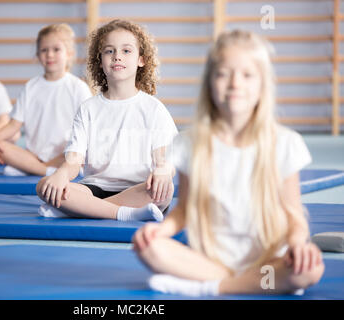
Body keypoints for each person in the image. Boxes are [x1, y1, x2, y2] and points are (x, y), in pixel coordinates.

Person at [132, 30, 324, 297]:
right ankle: (244, 283)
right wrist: (160, 231)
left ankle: (211, 288)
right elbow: (184, 210)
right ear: (209, 83)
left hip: (268, 262)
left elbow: (294, 216)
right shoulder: (191, 144)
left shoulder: (285, 143)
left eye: (247, 75)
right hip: (209, 261)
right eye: (223, 74)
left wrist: (298, 245)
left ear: (262, 85)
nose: (235, 84)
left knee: (310, 269)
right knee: (149, 247)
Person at [36, 19, 178, 221]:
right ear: (100, 60)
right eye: (109, 51)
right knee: (44, 186)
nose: (117, 56)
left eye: (126, 51)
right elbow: (74, 161)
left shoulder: (154, 109)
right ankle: (123, 213)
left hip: (138, 189)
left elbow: (165, 158)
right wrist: (60, 175)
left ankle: (81, 209)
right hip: (94, 188)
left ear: (141, 60)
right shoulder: (88, 109)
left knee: (164, 189)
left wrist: (163, 172)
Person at [0, 24, 92, 176]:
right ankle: (46, 170)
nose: (49, 54)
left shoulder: (78, 87)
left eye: (56, 49)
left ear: (69, 53)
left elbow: (87, 129)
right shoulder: (31, 87)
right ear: (37, 54)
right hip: (33, 155)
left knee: (79, 150)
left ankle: (32, 168)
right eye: (44, 50)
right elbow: (14, 125)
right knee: (1, 146)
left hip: (65, 155)